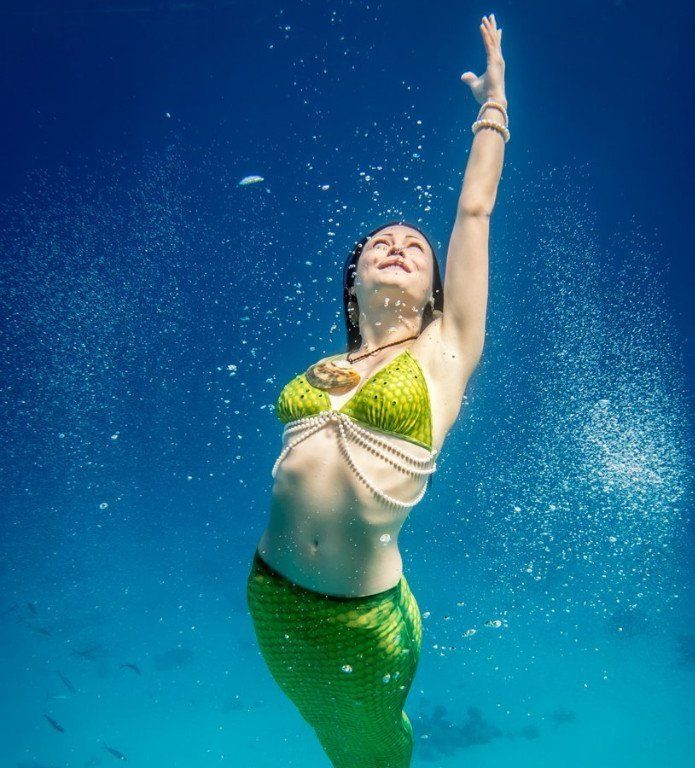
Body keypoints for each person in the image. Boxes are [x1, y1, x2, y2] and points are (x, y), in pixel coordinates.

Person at [246, 13, 508, 768]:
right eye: (379, 245)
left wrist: (493, 106)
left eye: (414, 246)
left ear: (434, 290)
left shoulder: (445, 351)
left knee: (374, 753)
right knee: (327, 738)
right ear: (354, 283)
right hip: (270, 598)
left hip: (364, 623)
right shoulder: (330, 361)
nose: (396, 246)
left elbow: (474, 212)